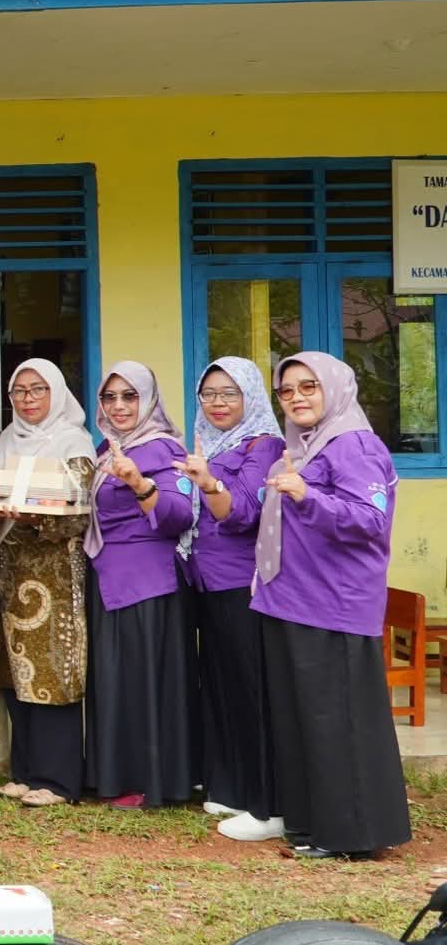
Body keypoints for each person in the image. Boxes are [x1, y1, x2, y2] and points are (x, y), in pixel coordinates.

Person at [252, 352, 410, 860]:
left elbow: (369, 520)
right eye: (286, 390)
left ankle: (353, 835)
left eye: (308, 387)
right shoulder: (301, 447)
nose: (296, 397)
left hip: (334, 605)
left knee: (336, 721)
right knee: (303, 722)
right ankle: (311, 825)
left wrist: (306, 496)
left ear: (336, 389)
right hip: (292, 601)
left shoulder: (354, 446)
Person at [175, 356, 284, 841]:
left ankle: (265, 799)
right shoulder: (208, 444)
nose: (218, 403)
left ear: (251, 397)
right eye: (210, 394)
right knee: (218, 686)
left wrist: (208, 482)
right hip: (204, 581)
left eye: (229, 393)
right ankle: (228, 785)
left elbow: (244, 513)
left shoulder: (264, 445)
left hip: (243, 583)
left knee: (251, 689)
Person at [0, 359, 96, 809]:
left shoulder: (73, 441)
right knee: (16, 674)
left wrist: (38, 517)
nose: (27, 400)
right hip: (10, 568)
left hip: (53, 570)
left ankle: (59, 780)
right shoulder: (7, 440)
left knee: (52, 672)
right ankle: (25, 772)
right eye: (19, 392)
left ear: (57, 394)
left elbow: (83, 512)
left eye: (37, 390)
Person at [84, 361, 199, 809]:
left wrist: (137, 482)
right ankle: (118, 777)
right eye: (110, 397)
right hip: (110, 577)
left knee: (143, 681)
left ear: (148, 399)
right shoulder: (107, 447)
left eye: (129, 396)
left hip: (147, 583)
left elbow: (179, 516)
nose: (118, 406)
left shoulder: (161, 449)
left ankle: (150, 781)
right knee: (117, 680)